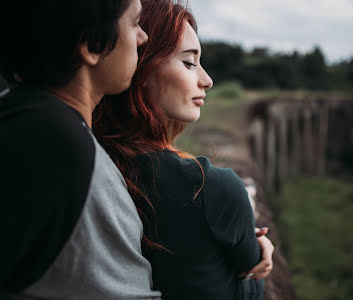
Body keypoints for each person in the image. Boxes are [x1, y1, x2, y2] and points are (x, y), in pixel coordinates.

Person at [94, 0, 274, 299]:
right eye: (189, 62)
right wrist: (259, 247)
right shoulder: (210, 187)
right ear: (141, 65)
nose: (207, 80)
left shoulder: (95, 158)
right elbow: (251, 267)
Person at [0, 0, 162, 299]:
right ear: (91, 45)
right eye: (134, 23)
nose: (143, 37)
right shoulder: (52, 140)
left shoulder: (32, 118)